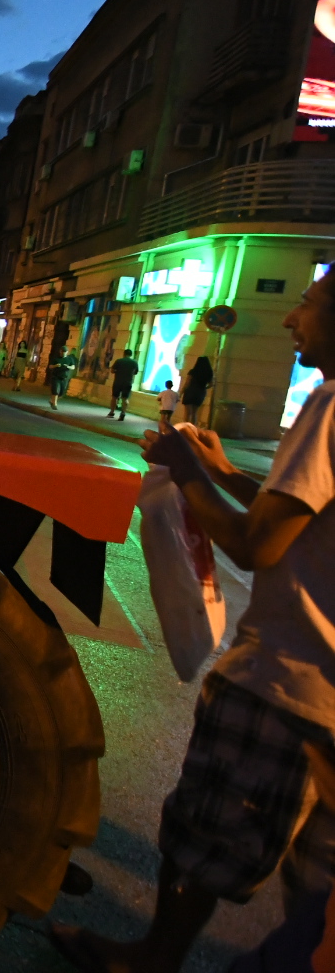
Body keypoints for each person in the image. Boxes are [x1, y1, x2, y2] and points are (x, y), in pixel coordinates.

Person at [51, 269, 335, 973]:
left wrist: (185, 470)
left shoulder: (332, 404)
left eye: (308, 302)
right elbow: (302, 513)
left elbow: (257, 542)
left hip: (285, 682)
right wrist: (225, 471)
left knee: (208, 838)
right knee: (319, 886)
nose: (290, 319)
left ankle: (152, 962)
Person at [182, 356, 214, 426]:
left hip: (190, 391)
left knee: (187, 413)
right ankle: (193, 428)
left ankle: (185, 428)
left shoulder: (193, 371)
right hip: (200, 393)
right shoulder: (209, 373)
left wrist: (181, 392)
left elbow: (187, 383)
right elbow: (211, 384)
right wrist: (204, 387)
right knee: (194, 413)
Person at [108, 348, 139, 420]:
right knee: (125, 398)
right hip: (128, 382)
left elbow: (112, 370)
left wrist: (118, 372)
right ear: (131, 355)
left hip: (118, 382)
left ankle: (112, 412)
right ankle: (123, 413)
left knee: (114, 397)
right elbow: (136, 372)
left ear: (124, 354)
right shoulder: (134, 362)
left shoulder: (119, 361)